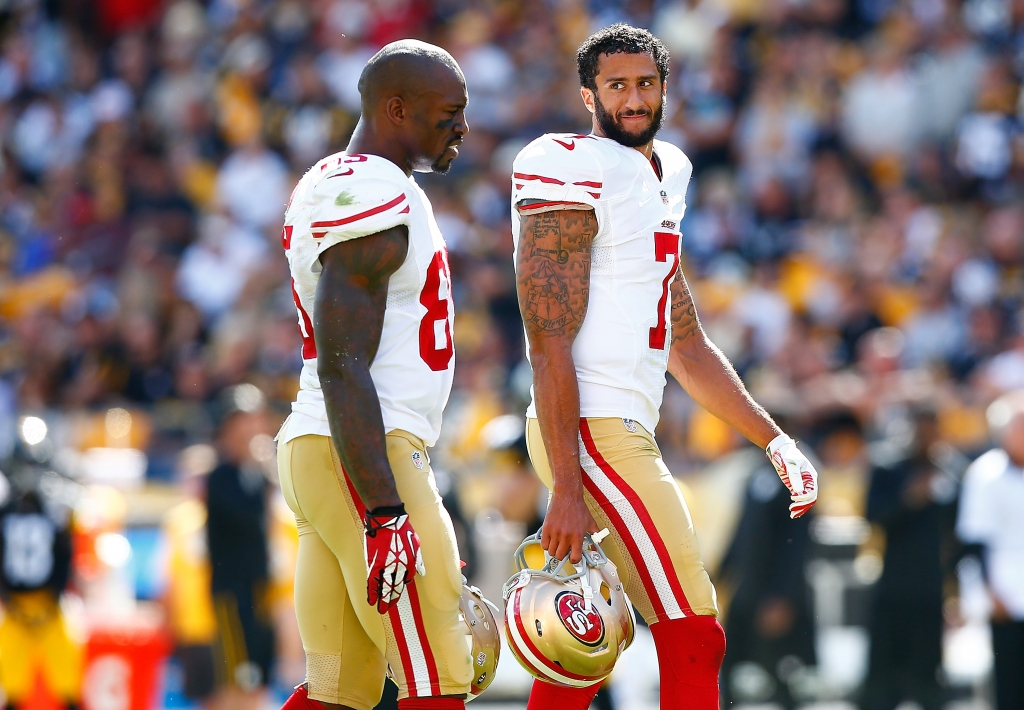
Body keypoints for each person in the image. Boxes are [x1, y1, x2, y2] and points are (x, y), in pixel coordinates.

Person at [510, 24, 819, 710]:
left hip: (613, 427)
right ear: (587, 92)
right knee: (694, 631)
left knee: (586, 637)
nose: (633, 97)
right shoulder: (567, 161)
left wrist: (773, 437)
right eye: (616, 84)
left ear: (665, 88)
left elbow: (684, 341)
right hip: (589, 426)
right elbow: (548, 335)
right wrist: (566, 481)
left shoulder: (667, 171)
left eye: (645, 83)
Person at [275, 40, 472, 710]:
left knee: (341, 689)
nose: (462, 128)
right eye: (447, 113)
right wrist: (386, 511)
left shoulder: (348, 180)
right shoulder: (373, 192)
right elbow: (342, 361)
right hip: (362, 450)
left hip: (330, 447)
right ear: (397, 109)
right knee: (442, 668)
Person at [861, 405, 958, 710]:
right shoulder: (888, 468)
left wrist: (956, 595)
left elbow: (958, 538)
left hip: (930, 594)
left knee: (928, 683)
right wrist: (909, 498)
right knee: (881, 683)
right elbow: (873, 516)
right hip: (892, 591)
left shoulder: (952, 472)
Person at [206, 384, 277, 708]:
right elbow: (247, 517)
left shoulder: (260, 475)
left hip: (260, 590)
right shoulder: (220, 477)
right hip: (232, 595)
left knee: (256, 679)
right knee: (235, 679)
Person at [957, 392, 1024, 710]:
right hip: (1006, 594)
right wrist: (988, 593)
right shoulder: (985, 474)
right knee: (1008, 683)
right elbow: (974, 541)